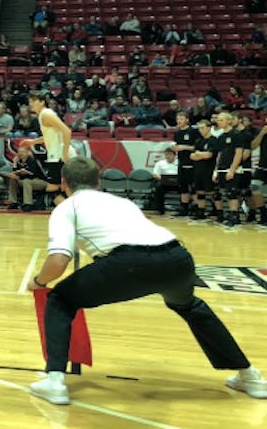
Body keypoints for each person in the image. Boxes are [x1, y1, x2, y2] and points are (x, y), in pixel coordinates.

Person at [26, 157, 266, 405]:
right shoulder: (123, 202)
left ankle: (54, 381)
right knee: (190, 306)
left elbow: (58, 260)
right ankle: (250, 376)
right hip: (178, 258)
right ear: (98, 181)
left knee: (60, 299)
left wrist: (38, 282)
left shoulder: (66, 208)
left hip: (129, 264)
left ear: (63, 183)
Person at [24, 91, 75, 205]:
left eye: (33, 101)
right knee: (66, 188)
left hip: (58, 155)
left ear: (42, 102)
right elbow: (51, 135)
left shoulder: (46, 114)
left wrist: (65, 153)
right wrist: (33, 141)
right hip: (57, 154)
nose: (31, 104)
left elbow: (66, 131)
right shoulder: (43, 115)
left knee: (53, 190)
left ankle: (72, 214)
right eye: (29, 102)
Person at [214, 112, 250, 228]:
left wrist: (232, 170)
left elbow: (238, 154)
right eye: (218, 120)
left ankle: (234, 217)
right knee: (225, 193)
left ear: (228, 121)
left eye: (221, 120)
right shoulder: (220, 137)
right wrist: (216, 170)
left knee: (232, 193)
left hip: (233, 169)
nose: (218, 122)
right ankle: (231, 216)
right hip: (222, 169)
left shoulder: (237, 135)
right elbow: (219, 154)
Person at [190, 120, 218, 220]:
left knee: (212, 192)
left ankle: (218, 212)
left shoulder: (213, 140)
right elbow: (192, 156)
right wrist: (201, 154)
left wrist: (199, 154)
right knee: (200, 191)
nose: (200, 130)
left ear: (209, 127)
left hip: (209, 170)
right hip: (198, 170)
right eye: (199, 128)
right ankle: (200, 211)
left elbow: (209, 155)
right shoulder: (198, 140)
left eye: (203, 128)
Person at [170, 113, 196, 218]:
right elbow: (177, 146)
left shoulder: (193, 132)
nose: (179, 121)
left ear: (187, 120)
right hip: (181, 162)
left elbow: (197, 147)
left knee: (194, 187)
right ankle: (184, 208)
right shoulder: (177, 133)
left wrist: (184, 147)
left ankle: (196, 208)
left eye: (181, 119)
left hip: (192, 163)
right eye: (177, 119)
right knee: (183, 187)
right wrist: (175, 148)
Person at [152, 149, 179, 215]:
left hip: (177, 182)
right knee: (158, 186)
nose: (168, 156)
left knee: (186, 187)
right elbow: (155, 174)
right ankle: (160, 209)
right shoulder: (160, 163)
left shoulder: (179, 162)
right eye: (166, 154)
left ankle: (184, 209)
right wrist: (163, 179)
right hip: (165, 183)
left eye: (170, 154)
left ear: (174, 155)